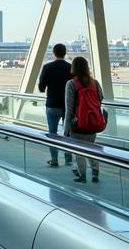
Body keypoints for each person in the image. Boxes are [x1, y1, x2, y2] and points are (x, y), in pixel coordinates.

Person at [64, 56, 105, 185]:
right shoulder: (95, 83)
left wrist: (66, 130)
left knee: (79, 152)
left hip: (78, 124)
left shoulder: (71, 84)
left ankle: (82, 176)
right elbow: (100, 99)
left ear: (73, 68)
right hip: (93, 122)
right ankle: (95, 172)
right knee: (91, 148)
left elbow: (69, 109)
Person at [38, 43, 73, 167]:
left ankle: (54, 159)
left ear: (54, 53)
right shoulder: (71, 67)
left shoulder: (47, 67)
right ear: (65, 53)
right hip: (68, 106)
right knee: (68, 133)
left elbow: (41, 87)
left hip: (52, 104)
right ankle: (68, 159)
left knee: (52, 133)